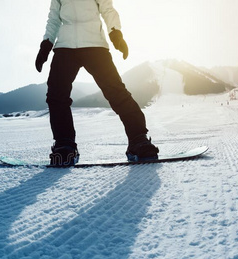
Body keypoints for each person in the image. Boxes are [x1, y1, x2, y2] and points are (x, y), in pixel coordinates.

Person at [36, 0, 159, 166]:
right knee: (56, 95)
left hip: (95, 45)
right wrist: (46, 43)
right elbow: (54, 18)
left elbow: (108, 9)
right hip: (65, 47)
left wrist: (115, 33)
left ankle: (139, 141)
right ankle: (65, 145)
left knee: (116, 92)